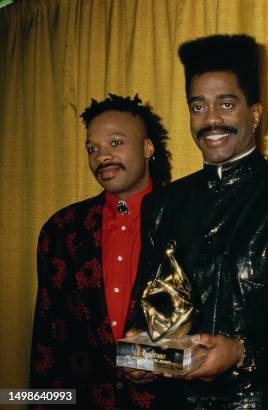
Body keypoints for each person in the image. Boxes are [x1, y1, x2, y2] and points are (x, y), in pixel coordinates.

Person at [128, 34, 268, 409]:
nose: (210, 120)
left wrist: (244, 354)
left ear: (255, 114)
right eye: (198, 107)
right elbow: (154, 310)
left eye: (226, 104)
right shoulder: (163, 205)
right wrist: (144, 352)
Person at [30, 94, 177, 409]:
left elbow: (218, 333)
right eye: (92, 148)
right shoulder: (62, 229)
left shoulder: (188, 220)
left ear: (148, 148)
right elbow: (48, 344)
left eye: (116, 142)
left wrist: (155, 359)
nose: (102, 156)